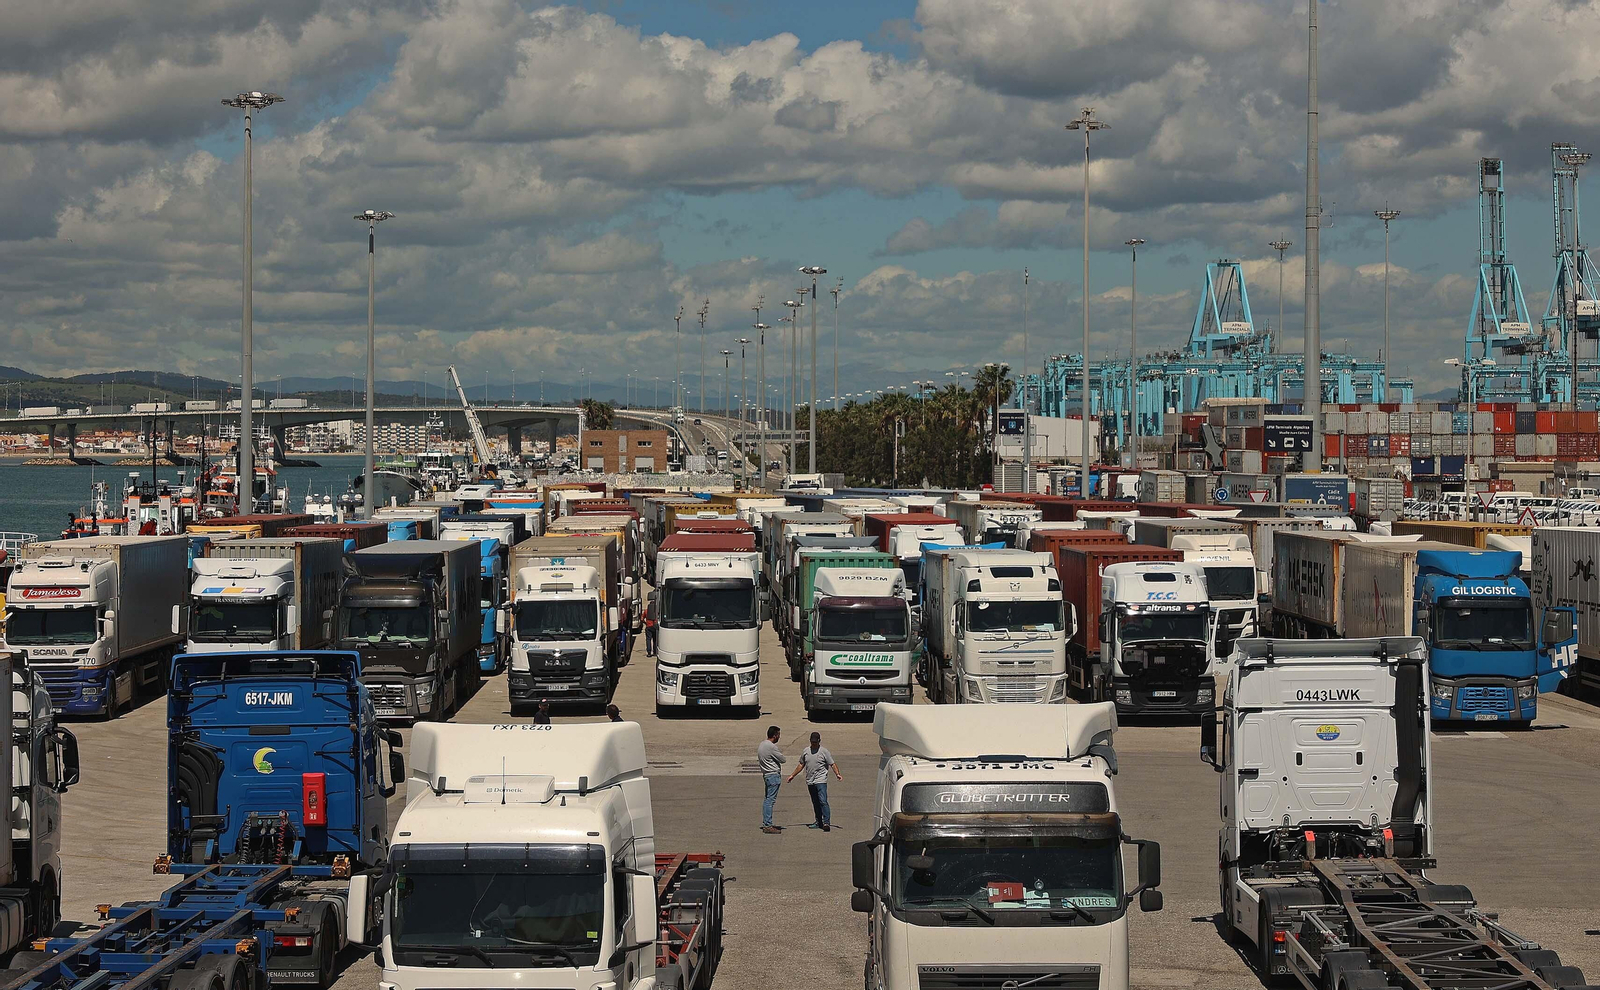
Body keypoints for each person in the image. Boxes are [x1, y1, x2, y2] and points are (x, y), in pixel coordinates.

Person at [788, 731, 842, 831]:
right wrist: (792, 775)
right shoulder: (806, 751)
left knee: (823, 801)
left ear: (819, 741)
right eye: (812, 742)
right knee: (815, 802)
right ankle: (818, 822)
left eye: (815, 742)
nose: (814, 744)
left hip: (821, 780)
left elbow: (832, 764)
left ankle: (826, 823)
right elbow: (801, 764)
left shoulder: (824, 751)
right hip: (810, 781)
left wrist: (837, 774)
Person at [757, 725, 785, 833]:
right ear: (775, 735)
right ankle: (767, 825)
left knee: (767, 799)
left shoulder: (762, 744)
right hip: (773, 775)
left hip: (766, 775)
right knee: (770, 801)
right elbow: (782, 759)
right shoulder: (771, 746)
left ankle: (767, 823)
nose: (779, 737)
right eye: (778, 735)